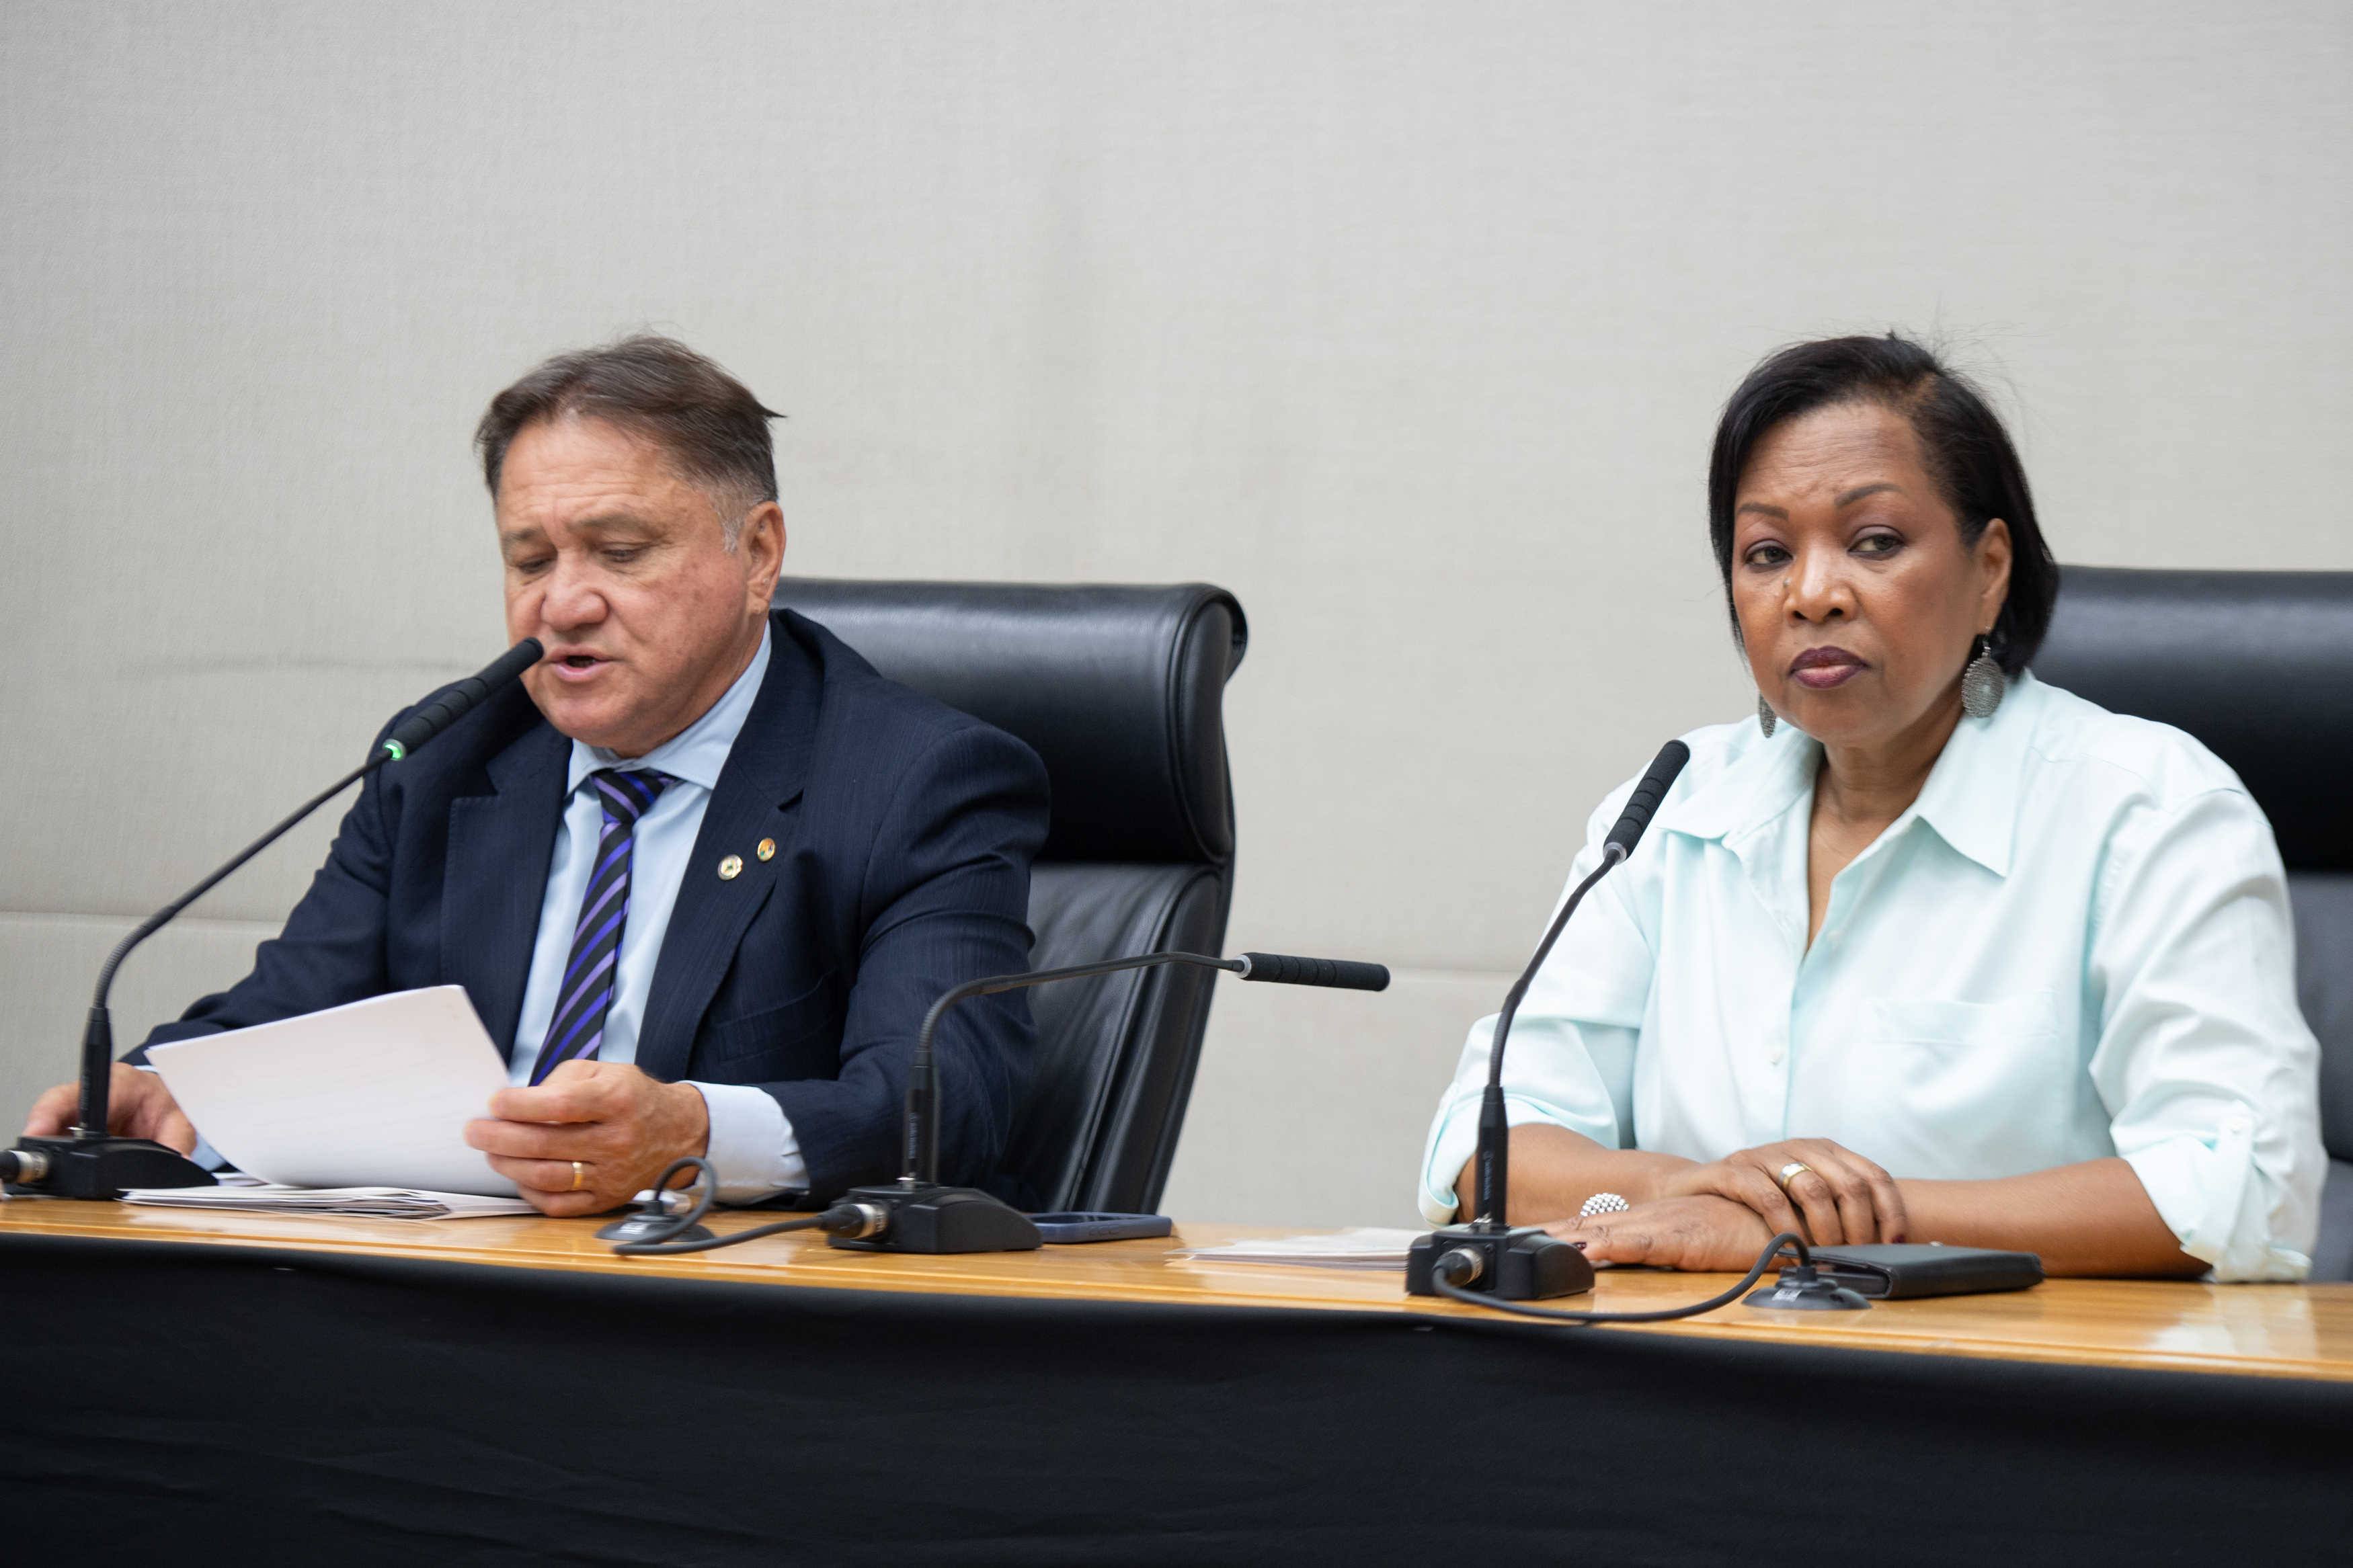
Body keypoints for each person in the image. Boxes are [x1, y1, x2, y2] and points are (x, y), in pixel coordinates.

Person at [24, 337, 1050, 1216]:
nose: (562, 604)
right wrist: (173, 1090)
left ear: (758, 555)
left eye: (619, 550)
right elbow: (291, 1011)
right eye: (530, 560)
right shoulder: (447, 758)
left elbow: (945, 1107)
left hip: (729, 1316)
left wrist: (693, 1132)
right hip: (445, 1289)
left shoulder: (916, 781)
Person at [1419, 333, 2323, 1280]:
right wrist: (1685, 1192)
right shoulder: (1671, 811)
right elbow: (1480, 1147)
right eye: (1767, 553)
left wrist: (1826, 1229)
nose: (1811, 594)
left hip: (2013, 1367)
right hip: (1689, 1357)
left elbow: (2243, 1187)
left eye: (1875, 541)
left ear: (1990, 570)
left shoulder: (2149, 811)